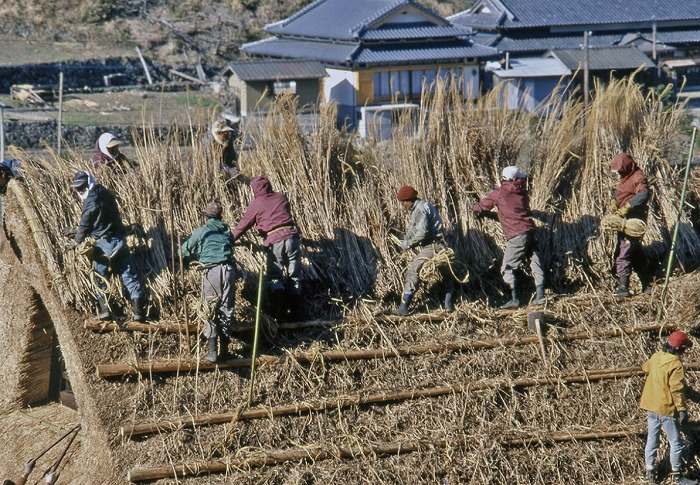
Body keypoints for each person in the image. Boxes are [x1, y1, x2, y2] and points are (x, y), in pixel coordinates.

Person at [66, 170, 147, 322]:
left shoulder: (91, 200)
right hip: (119, 240)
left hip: (104, 245)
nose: (80, 191)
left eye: (81, 188)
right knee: (129, 276)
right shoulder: (106, 193)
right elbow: (103, 220)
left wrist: (75, 240)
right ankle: (139, 313)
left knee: (101, 277)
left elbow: (86, 222)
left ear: (88, 184)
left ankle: (106, 311)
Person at [473, 166, 545, 309]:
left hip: (517, 235)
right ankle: (540, 296)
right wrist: (495, 215)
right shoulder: (523, 193)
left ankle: (514, 299)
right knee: (535, 262)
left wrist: (476, 210)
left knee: (507, 268)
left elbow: (482, 207)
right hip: (530, 231)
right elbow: (513, 212)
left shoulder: (499, 193)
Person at [232, 176, 302, 321]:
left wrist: (228, 240)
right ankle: (297, 313)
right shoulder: (281, 197)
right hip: (292, 238)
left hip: (274, 240)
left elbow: (243, 226)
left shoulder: (256, 204)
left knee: (275, 277)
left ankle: (281, 314)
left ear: (255, 189)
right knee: (294, 276)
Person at [180, 201, 236, 363]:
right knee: (227, 309)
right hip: (229, 271)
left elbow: (184, 249)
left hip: (212, 271)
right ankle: (225, 350)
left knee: (209, 310)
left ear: (205, 217)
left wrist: (176, 256)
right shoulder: (226, 231)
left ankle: (212, 353)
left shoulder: (202, 231)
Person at [640, 331, 697, 485]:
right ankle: (677, 476)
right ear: (680, 349)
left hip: (651, 406)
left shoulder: (657, 356)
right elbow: (676, 390)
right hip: (666, 409)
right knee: (676, 443)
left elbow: (645, 368)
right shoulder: (676, 364)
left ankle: (650, 470)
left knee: (652, 439)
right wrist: (682, 410)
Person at [394, 185, 454, 316]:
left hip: (433, 246)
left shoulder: (419, 209)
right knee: (446, 274)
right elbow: (414, 229)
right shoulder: (422, 206)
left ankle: (404, 307)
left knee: (413, 271)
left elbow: (422, 233)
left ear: (410, 199)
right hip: (442, 245)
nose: (403, 205)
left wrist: (408, 244)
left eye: (404, 202)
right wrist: (406, 239)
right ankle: (449, 304)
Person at [608, 152, 651, 297]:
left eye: (620, 170)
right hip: (622, 221)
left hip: (632, 221)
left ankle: (623, 288)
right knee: (635, 254)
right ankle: (647, 285)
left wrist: (627, 207)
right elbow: (619, 192)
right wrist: (614, 201)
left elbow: (643, 194)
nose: (619, 173)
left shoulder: (637, 177)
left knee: (623, 253)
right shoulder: (625, 177)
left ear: (627, 166)